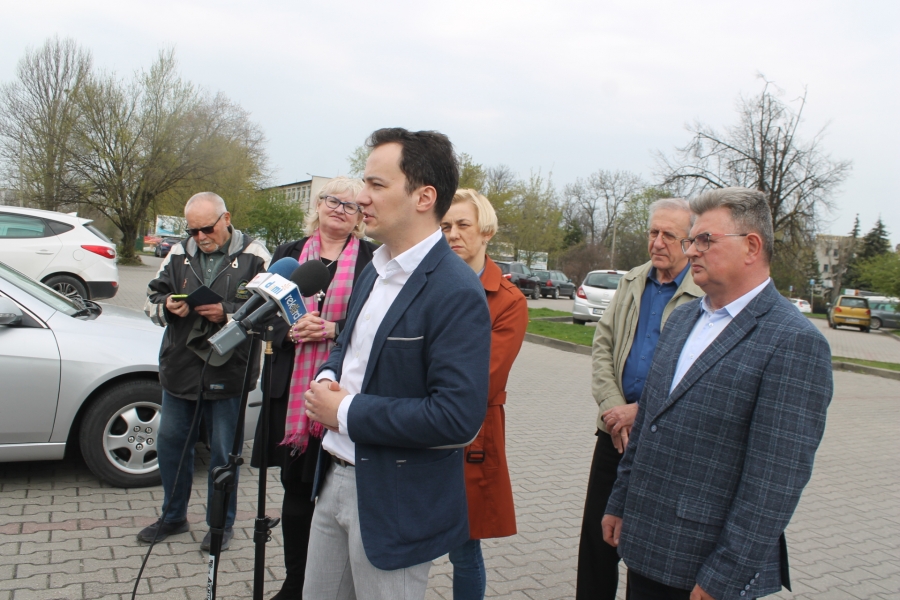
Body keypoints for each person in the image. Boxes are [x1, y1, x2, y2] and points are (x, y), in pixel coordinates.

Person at [602, 188, 833, 600]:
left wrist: (724, 577)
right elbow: (651, 420)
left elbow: (775, 481)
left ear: (752, 247)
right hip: (646, 546)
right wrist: (620, 502)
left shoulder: (793, 341)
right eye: (692, 240)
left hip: (705, 569)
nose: (691, 250)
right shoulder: (683, 318)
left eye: (705, 240)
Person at [302, 128, 492, 600]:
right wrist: (327, 377)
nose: (361, 198)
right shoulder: (375, 268)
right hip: (332, 477)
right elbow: (348, 348)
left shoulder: (455, 290)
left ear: (424, 197)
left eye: (376, 185)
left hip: (394, 499)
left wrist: (344, 411)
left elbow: (456, 418)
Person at [250, 176, 377, 599]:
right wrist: (289, 331)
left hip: (340, 393)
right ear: (318, 205)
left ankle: (326, 584)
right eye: (332, 200)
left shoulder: (371, 261)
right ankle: (295, 582)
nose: (339, 209)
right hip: (291, 394)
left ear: (359, 216)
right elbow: (262, 314)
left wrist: (330, 328)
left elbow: (372, 325)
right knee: (295, 491)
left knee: (331, 491)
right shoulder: (288, 255)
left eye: (349, 205)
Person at [577, 198, 703, 599]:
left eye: (669, 235)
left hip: (659, 438)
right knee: (596, 542)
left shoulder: (701, 292)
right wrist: (614, 409)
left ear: (689, 242)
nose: (657, 242)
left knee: (645, 548)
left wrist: (639, 411)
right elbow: (602, 345)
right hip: (613, 432)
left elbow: (694, 370)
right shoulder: (632, 280)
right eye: (653, 232)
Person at [140, 191, 271, 551]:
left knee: (223, 455)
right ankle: (173, 516)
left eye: (207, 229)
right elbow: (149, 302)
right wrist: (167, 305)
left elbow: (269, 311)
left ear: (226, 218)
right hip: (180, 368)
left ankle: (220, 525)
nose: (200, 237)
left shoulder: (256, 256)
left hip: (230, 371)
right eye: (193, 230)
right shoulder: (178, 252)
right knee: (171, 447)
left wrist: (227, 312)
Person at [441, 189, 528, 600]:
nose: (453, 234)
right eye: (445, 226)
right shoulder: (423, 285)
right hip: (414, 427)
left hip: (469, 434)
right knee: (408, 542)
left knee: (463, 547)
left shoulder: (508, 301)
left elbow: (483, 378)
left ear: (486, 231)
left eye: (463, 225)